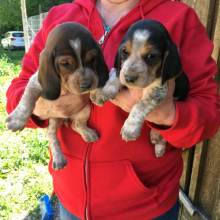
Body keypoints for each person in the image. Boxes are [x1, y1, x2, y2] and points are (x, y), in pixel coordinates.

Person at [6, 0, 220, 219]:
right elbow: (18, 92)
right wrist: (43, 106)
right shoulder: (58, 17)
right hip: (71, 201)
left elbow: (209, 114)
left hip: (145, 208)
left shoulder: (179, 17)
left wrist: (165, 114)